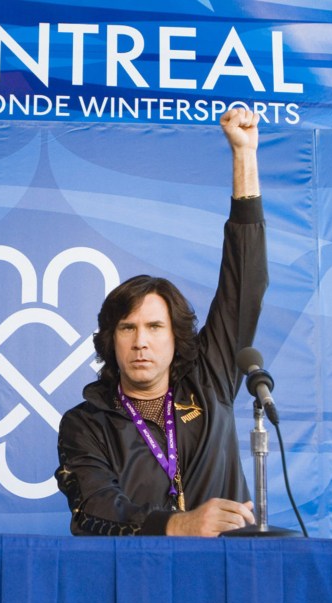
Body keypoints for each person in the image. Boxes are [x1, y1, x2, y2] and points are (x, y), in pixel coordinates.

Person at [56, 108, 266, 536]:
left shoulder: (210, 381)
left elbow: (243, 285)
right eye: (127, 328)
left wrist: (244, 157)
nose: (140, 342)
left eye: (155, 327)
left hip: (232, 577)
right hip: (135, 586)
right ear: (110, 340)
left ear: (176, 338)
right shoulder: (85, 423)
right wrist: (179, 524)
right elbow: (93, 510)